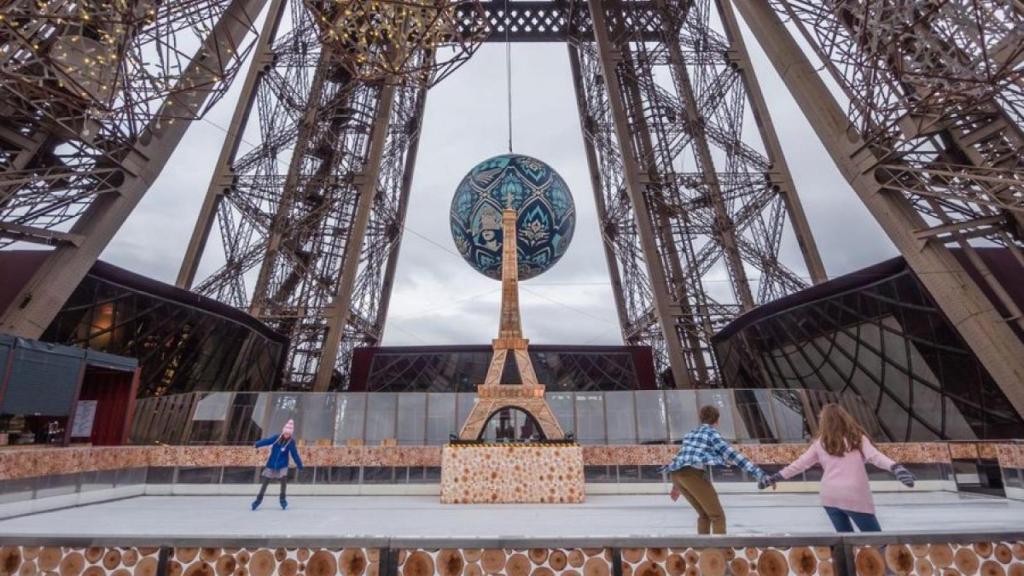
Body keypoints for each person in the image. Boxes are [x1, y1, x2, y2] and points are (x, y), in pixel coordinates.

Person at [758, 403, 915, 532]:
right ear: (845, 419)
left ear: (823, 422)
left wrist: (774, 477)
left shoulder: (820, 443)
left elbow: (799, 465)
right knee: (877, 540)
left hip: (830, 496)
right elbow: (875, 457)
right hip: (854, 495)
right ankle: (884, 569)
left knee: (845, 542)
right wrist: (895, 467)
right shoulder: (857, 439)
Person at [662, 404, 768, 534]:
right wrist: (758, 473)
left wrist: (676, 486)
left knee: (704, 515)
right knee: (717, 517)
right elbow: (734, 455)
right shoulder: (712, 434)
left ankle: (703, 551)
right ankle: (719, 553)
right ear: (717, 421)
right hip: (691, 475)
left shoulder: (691, 434)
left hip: (676, 474)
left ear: (701, 419)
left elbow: (682, 456)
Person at [252, 419, 304, 510]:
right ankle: (258, 500)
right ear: (283, 431)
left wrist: (299, 465)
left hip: (283, 464)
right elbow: (267, 441)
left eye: (289, 434)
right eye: (286, 433)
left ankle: (282, 499)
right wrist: (257, 444)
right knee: (265, 482)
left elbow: (294, 454)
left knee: (283, 480)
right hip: (271, 463)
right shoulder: (276, 438)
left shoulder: (291, 442)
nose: (287, 435)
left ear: (290, 434)